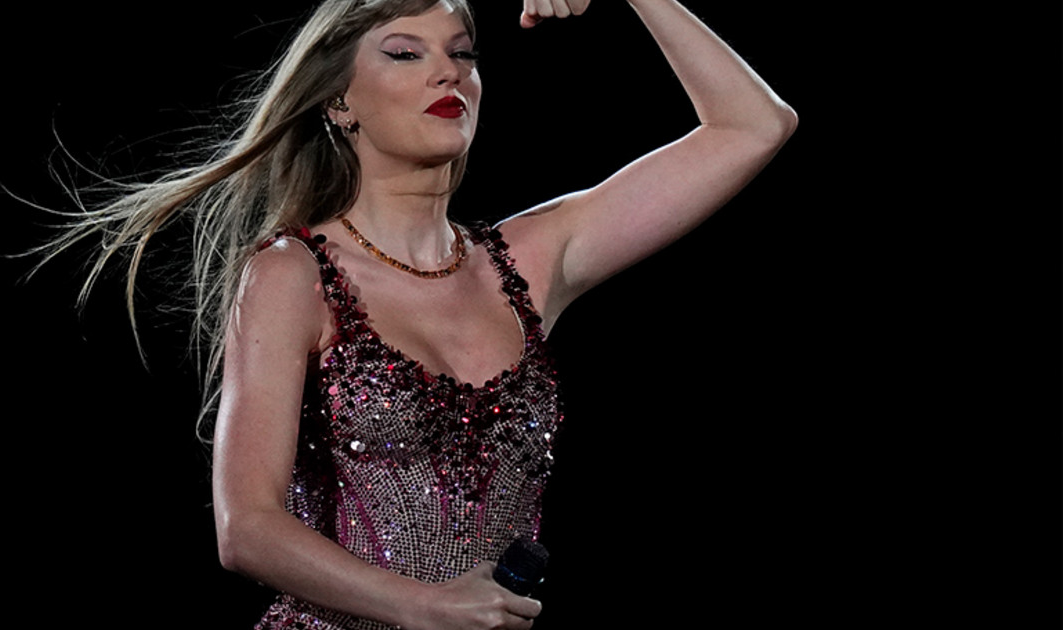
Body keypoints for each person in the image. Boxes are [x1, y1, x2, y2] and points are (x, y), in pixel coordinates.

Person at [43, 1, 796, 628]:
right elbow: (247, 528)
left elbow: (753, 126)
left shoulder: (528, 262)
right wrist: (423, 606)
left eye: (463, 54)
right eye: (406, 54)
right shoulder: (292, 273)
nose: (449, 72)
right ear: (339, 102)